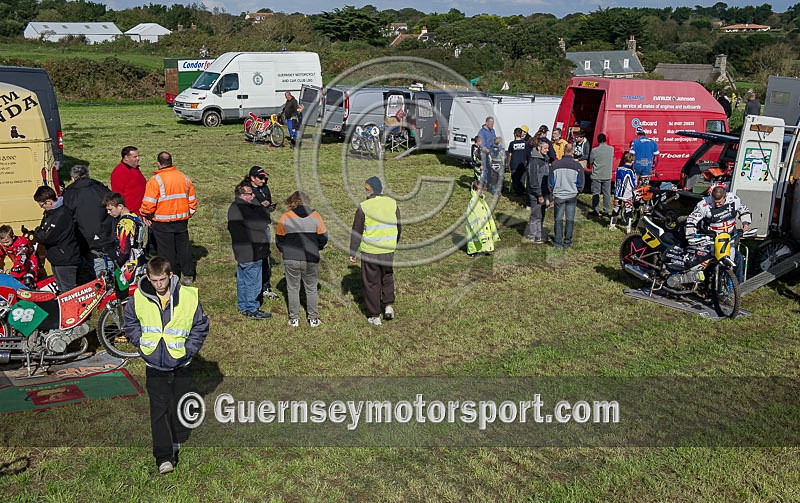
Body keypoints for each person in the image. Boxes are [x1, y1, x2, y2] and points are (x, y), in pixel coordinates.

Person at [123, 256, 209, 475]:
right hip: (155, 364)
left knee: (180, 402)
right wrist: (140, 343)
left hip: (181, 363)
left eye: (162, 280)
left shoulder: (189, 297)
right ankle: (164, 457)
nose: (159, 285)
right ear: (148, 278)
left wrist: (189, 350)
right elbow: (130, 321)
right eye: (154, 281)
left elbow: (200, 325)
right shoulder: (138, 297)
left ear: (170, 276)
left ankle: (178, 436)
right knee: (158, 409)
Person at [349, 176, 401, 326]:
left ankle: (374, 315)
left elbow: (356, 232)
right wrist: (394, 243)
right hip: (388, 249)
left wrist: (353, 251)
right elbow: (398, 226)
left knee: (372, 282)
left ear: (368, 190)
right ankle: (388, 305)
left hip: (370, 251)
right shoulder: (392, 203)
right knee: (387, 276)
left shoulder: (364, 207)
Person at [140, 152, 197, 285]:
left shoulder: (155, 180)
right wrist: (188, 214)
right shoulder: (184, 178)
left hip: (162, 222)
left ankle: (172, 275)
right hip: (182, 220)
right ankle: (188, 274)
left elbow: (149, 204)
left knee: (166, 252)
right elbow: (192, 200)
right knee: (184, 248)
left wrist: (145, 214)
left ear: (158, 164)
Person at [275, 191, 328, 327]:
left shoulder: (286, 217)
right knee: (311, 288)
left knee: (292, 288)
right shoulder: (316, 216)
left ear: (291, 201)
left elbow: (279, 239)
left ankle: (294, 319)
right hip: (310, 257)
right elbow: (323, 237)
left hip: (291, 258)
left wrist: (285, 251)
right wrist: (318, 248)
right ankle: (313, 319)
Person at [685, 185, 752, 282]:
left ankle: (733, 287)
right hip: (710, 239)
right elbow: (692, 219)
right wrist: (692, 235)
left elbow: (744, 210)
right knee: (705, 262)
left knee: (732, 262)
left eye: (720, 203)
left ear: (725, 197)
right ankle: (702, 283)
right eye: (715, 202)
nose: (717, 205)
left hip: (729, 238)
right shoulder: (704, 204)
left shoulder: (734, 200)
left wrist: (745, 223)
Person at [227, 182, 271, 320]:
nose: (253, 196)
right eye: (250, 194)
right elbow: (263, 222)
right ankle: (252, 309)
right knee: (253, 281)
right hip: (252, 250)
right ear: (241, 195)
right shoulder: (247, 209)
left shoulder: (234, 207)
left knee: (242, 280)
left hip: (240, 250)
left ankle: (243, 306)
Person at [61, 164, 114, 278]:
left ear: (72, 178)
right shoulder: (101, 189)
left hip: (83, 239)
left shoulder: (69, 194)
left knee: (92, 271)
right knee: (109, 267)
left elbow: (66, 218)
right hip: (106, 234)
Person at [33, 186, 81, 293]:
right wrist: (40, 232)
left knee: (69, 292)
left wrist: (38, 232)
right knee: (61, 289)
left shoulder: (61, 214)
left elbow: (45, 237)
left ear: (49, 202)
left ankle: (73, 310)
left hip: (65, 259)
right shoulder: (50, 213)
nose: (42, 208)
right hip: (57, 257)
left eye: (42, 205)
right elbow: (43, 232)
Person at [243, 166, 279, 300]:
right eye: (260, 178)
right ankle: (252, 290)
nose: (263, 180)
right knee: (253, 260)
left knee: (265, 258)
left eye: (264, 177)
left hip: (264, 226)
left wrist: (269, 207)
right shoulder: (245, 190)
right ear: (252, 178)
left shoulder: (264, 187)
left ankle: (265, 287)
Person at [102, 192, 145, 289]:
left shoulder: (124, 224)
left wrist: (118, 264)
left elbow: (124, 250)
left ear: (120, 206)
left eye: (110, 209)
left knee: (126, 292)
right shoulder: (136, 217)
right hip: (140, 258)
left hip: (130, 264)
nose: (108, 212)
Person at [549, 143, 584, 249]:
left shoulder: (555, 164)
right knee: (570, 219)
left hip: (559, 195)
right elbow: (581, 182)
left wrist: (551, 193)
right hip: (572, 195)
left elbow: (551, 182)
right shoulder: (577, 166)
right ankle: (567, 242)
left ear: (563, 151)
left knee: (558, 219)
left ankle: (558, 242)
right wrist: (578, 191)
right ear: (573, 151)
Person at [525, 137, 551, 244]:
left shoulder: (545, 159)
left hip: (544, 192)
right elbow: (533, 180)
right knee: (536, 215)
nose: (547, 150)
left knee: (542, 214)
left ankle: (539, 235)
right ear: (539, 148)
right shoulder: (534, 161)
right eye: (545, 148)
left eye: (548, 148)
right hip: (536, 193)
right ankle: (533, 236)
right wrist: (539, 194)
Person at [110, 146, 146, 218]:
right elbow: (118, 195)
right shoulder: (119, 172)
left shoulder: (134, 169)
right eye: (135, 157)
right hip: (130, 215)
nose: (138, 159)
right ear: (126, 158)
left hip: (140, 212)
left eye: (138, 156)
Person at [465, 181, 499, 256]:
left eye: (482, 190)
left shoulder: (481, 200)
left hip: (484, 225)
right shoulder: (473, 202)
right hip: (476, 227)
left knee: (485, 236)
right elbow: (473, 219)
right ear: (474, 189)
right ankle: (473, 251)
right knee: (475, 239)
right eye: (479, 190)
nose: (481, 192)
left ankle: (484, 249)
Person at [588, 133, 614, 217]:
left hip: (597, 174)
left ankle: (596, 210)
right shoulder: (611, 149)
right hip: (607, 174)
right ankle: (606, 210)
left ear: (598, 140)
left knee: (596, 193)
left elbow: (591, 161)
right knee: (607, 193)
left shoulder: (594, 150)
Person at [507, 127, 529, 197]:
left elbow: (510, 154)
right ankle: (522, 191)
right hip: (522, 164)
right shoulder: (525, 143)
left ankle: (517, 192)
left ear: (515, 134)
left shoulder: (512, 143)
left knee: (515, 179)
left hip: (514, 164)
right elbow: (527, 153)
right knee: (522, 179)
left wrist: (508, 163)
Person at [477, 117, 497, 188]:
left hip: (492, 152)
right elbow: (482, 145)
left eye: (493, 123)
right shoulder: (481, 132)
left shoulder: (492, 131)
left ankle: (490, 182)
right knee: (485, 169)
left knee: (491, 169)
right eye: (491, 123)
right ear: (486, 123)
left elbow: (495, 140)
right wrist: (486, 150)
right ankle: (484, 184)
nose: (492, 125)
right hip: (484, 153)